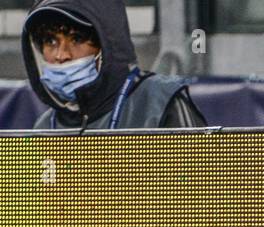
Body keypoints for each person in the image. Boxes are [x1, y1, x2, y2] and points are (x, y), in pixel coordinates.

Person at [23, 0, 207, 130]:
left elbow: (203, 182)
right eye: (50, 41)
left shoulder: (160, 103)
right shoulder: (44, 127)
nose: (61, 54)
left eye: (77, 39)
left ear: (107, 45)